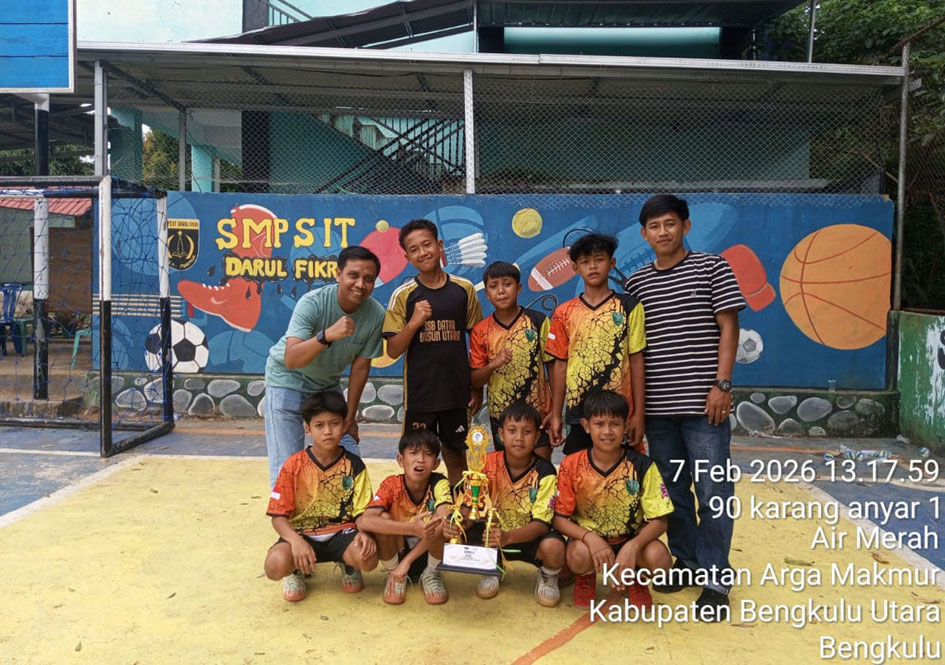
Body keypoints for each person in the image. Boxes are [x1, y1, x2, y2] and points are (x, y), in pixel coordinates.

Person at [623, 193, 746, 619]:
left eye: (670, 224)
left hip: (703, 407)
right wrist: (636, 410)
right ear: (644, 234)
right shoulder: (636, 283)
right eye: (654, 227)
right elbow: (635, 351)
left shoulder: (713, 267)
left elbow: (728, 327)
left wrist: (722, 385)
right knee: (673, 492)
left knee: (713, 491)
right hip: (657, 411)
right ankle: (688, 563)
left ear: (686, 226)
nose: (663, 232)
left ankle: (716, 579)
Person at [264, 246, 386, 488]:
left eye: (368, 279)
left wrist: (350, 417)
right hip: (286, 378)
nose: (360, 284)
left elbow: (360, 369)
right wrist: (327, 335)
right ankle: (287, 521)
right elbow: (291, 358)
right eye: (353, 275)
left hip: (326, 385)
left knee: (347, 452)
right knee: (287, 462)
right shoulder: (313, 303)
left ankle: (348, 514)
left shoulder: (375, 314)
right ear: (338, 274)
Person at [382, 219, 484, 486]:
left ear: (439, 246)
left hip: (456, 394)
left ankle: (460, 514)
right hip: (421, 395)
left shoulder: (464, 290)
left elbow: (477, 342)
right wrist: (414, 322)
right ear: (407, 257)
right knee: (419, 459)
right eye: (414, 249)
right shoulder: (404, 295)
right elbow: (393, 350)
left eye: (427, 245)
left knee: (456, 456)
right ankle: (422, 515)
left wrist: (477, 386)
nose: (423, 252)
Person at [552, 391, 673, 610]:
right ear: (586, 426)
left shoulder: (643, 466)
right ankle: (586, 576)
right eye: (599, 424)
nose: (607, 431)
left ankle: (635, 576)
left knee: (660, 559)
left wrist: (633, 546)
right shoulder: (571, 465)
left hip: (629, 538)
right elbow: (559, 520)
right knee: (577, 555)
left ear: (626, 426)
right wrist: (590, 538)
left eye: (615, 424)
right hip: (589, 544)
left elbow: (660, 520)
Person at [445, 402, 564, 607]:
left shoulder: (545, 472)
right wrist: (460, 522)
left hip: (526, 537)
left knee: (554, 547)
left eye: (527, 432)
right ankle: (492, 567)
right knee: (447, 528)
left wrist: (509, 537)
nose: (519, 438)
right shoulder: (485, 463)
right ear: (500, 434)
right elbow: (470, 506)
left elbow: (542, 524)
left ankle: (547, 576)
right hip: (491, 537)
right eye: (512, 431)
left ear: (536, 437)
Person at [263, 391, 378, 603]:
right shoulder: (293, 466)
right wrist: (295, 541)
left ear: (344, 425)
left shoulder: (354, 465)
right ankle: (294, 570)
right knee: (274, 566)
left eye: (334, 423)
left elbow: (363, 512)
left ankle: (348, 564)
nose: (327, 431)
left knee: (369, 557)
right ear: (307, 429)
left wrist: (366, 534)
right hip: (302, 533)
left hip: (342, 533)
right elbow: (278, 516)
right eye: (319, 425)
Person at [546, 233, 646, 455]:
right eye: (585, 261)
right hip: (579, 413)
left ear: (612, 263)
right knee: (580, 478)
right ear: (575, 268)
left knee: (625, 479)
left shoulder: (629, 306)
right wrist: (556, 415)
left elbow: (637, 360)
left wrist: (639, 414)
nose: (592, 266)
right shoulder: (564, 313)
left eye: (599, 259)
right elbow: (560, 366)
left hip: (620, 415)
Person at [469, 261, 553, 460]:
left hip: (538, 414)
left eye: (507, 284)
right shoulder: (481, 331)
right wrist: (493, 364)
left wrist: (556, 410)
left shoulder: (538, 321)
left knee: (541, 471)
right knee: (508, 474)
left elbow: (553, 365)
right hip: (502, 417)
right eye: (493, 286)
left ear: (519, 288)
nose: (501, 291)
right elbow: (475, 380)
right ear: (487, 294)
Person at [359, 429, 453, 605]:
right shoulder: (391, 484)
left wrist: (407, 562)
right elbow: (366, 520)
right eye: (414, 453)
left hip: (428, 551)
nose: (420, 459)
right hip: (397, 550)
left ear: (436, 463)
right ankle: (394, 574)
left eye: (428, 454)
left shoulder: (440, 483)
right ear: (401, 460)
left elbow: (444, 514)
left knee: (443, 521)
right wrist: (412, 528)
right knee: (383, 518)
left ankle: (431, 574)